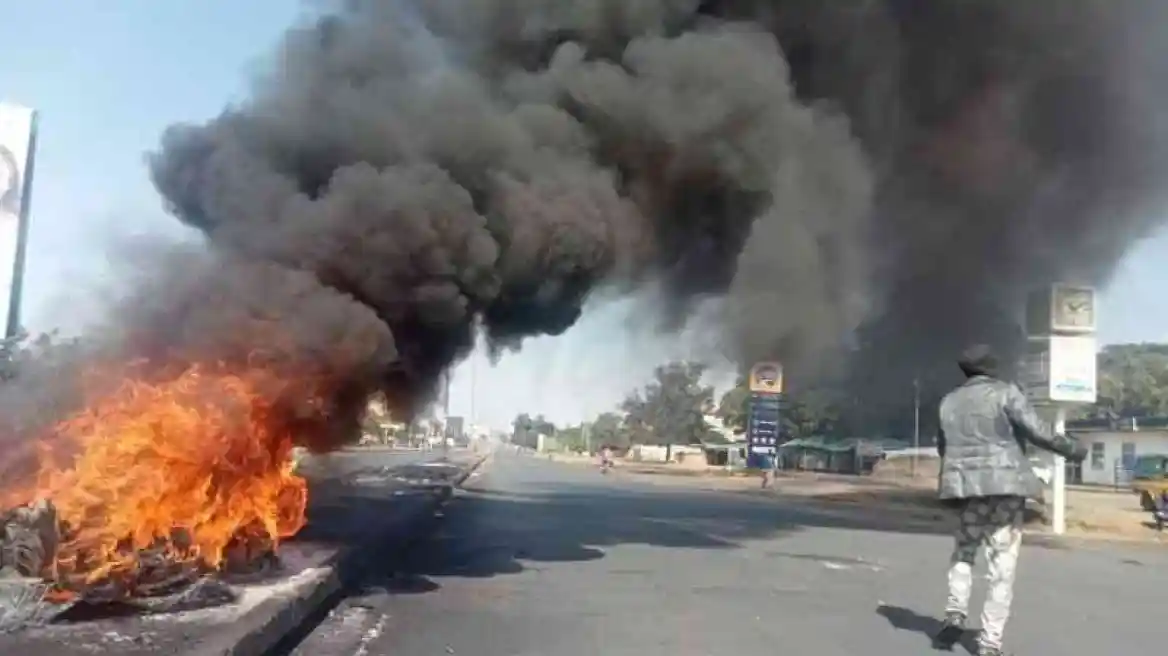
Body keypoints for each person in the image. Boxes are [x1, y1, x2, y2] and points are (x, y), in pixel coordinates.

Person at [933, 344, 1087, 656]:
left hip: (966, 489)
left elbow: (943, 448)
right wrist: (1073, 450)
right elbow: (1038, 432)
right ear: (992, 367)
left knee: (963, 552)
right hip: (1005, 487)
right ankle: (989, 643)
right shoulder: (1007, 393)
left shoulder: (948, 402)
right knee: (1001, 565)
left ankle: (955, 613)